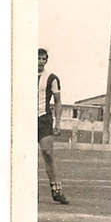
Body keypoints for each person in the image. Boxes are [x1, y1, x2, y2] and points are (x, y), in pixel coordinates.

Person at [37, 48, 69, 204]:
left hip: (44, 119)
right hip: (25, 120)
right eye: (38, 58)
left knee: (48, 153)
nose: (41, 61)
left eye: (43, 59)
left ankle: (57, 190)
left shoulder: (52, 78)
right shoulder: (22, 75)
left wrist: (58, 122)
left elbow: (58, 101)